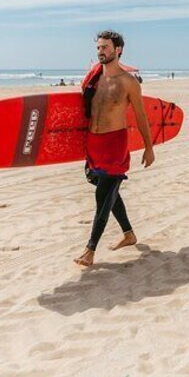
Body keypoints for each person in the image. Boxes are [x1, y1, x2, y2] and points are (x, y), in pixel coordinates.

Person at [74, 31, 155, 267]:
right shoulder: (94, 78)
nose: (101, 51)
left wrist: (149, 148)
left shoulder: (128, 82)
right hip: (94, 143)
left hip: (115, 145)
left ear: (118, 49)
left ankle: (90, 250)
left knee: (102, 197)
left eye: (105, 47)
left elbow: (141, 116)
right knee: (109, 192)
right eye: (99, 47)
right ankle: (129, 234)